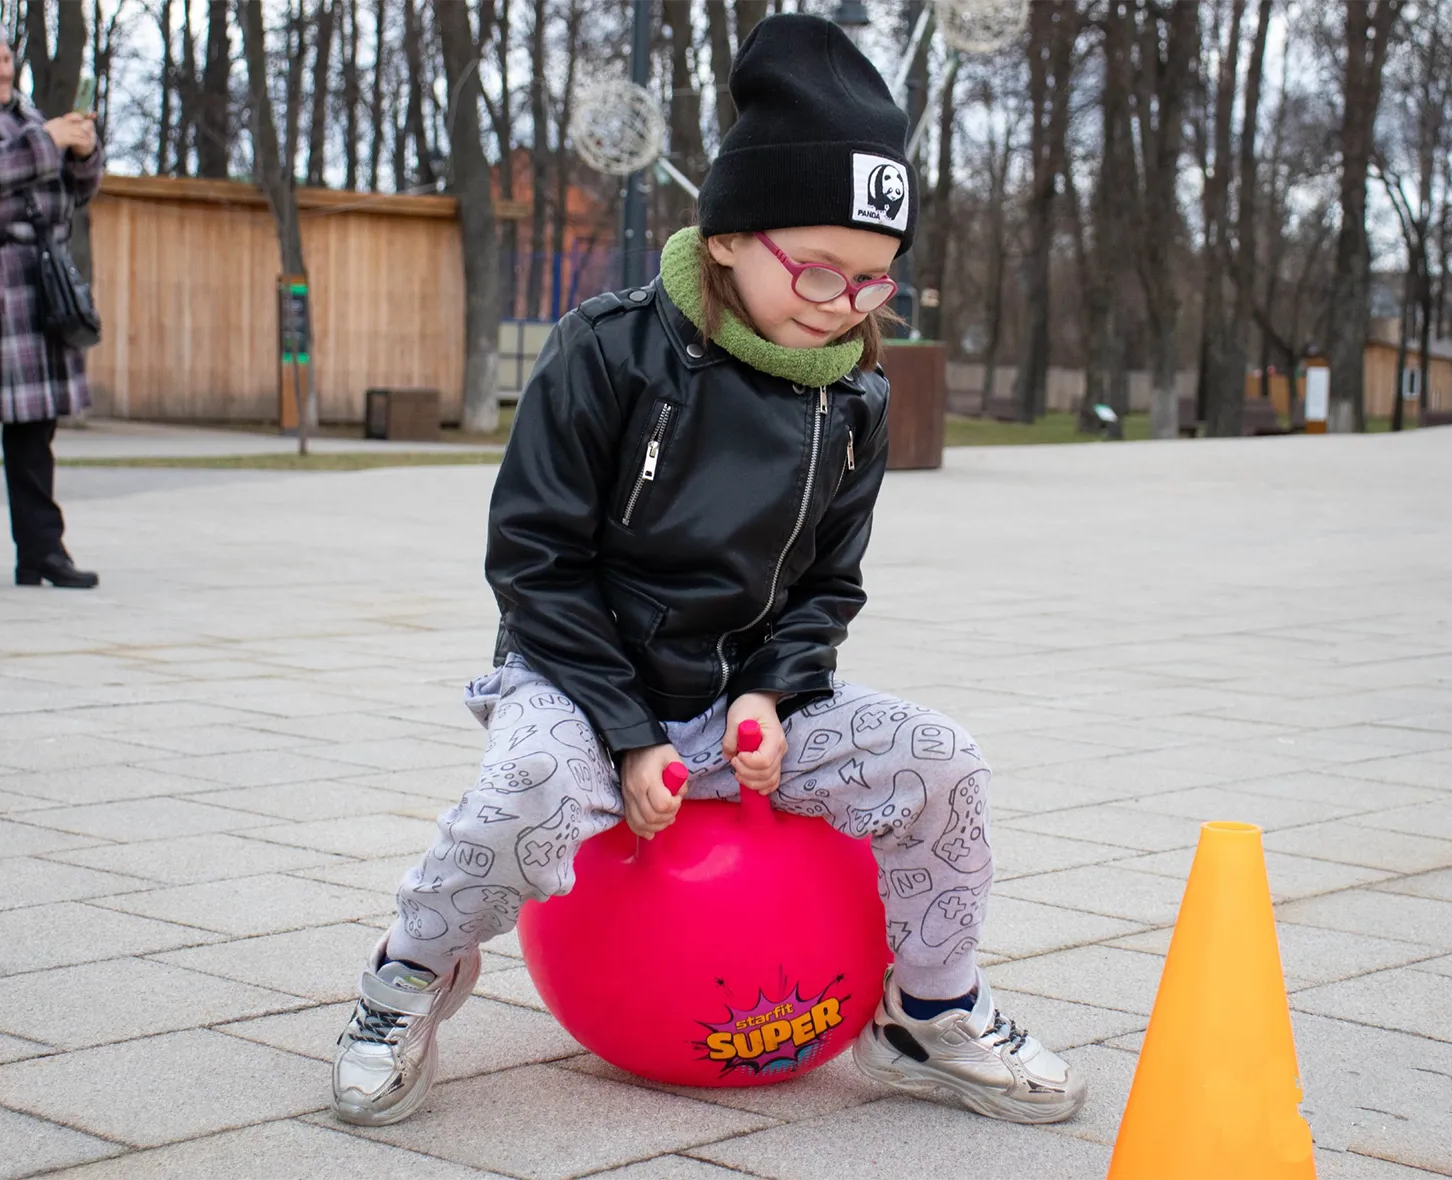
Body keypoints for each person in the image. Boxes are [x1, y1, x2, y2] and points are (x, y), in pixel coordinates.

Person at [331, 14, 1085, 1129]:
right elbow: (534, 559)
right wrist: (631, 731)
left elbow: (828, 582)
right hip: (585, 686)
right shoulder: (609, 346)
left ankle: (929, 1010)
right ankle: (405, 980)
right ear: (729, 236)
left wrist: (771, 694)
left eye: (875, 281)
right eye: (819, 269)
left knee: (945, 764)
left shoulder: (854, 395)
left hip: (741, 701)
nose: (844, 303)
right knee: (522, 788)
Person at [0, 21, 103, 589]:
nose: (1, 66)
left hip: (33, 285)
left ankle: (40, 551)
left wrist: (83, 153)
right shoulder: (39, 131)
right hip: (0, 280)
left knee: (33, 429)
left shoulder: (34, 118)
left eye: (6, 55)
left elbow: (75, 192)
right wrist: (51, 143)